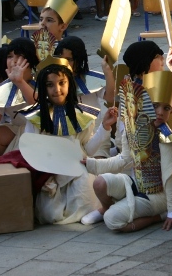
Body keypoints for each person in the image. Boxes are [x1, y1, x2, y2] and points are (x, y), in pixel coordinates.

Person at [8, 58, 114, 224]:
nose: (57, 90)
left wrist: (105, 128)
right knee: (49, 214)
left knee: (86, 194)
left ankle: (94, 210)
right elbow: (31, 153)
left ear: (69, 84)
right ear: (43, 88)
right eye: (50, 85)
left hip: (78, 172)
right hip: (50, 177)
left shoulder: (83, 115)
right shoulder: (35, 117)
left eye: (62, 83)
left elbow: (88, 150)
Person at [81, 70, 172, 232]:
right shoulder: (135, 129)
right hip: (135, 183)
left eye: (166, 108)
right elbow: (124, 159)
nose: (160, 112)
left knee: (112, 220)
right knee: (99, 182)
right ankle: (109, 208)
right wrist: (92, 164)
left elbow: (170, 177)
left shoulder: (166, 138)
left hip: (157, 195)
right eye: (155, 106)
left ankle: (158, 216)